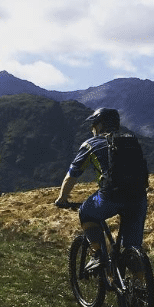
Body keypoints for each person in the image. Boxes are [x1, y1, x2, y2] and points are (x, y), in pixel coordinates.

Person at [54, 107, 148, 271]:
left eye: (93, 125)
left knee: (86, 212)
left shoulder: (90, 144)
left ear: (98, 125)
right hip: (138, 197)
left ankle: (98, 254)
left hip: (111, 196)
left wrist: (62, 198)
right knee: (133, 249)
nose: (92, 129)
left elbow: (72, 175)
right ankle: (139, 290)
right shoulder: (130, 139)